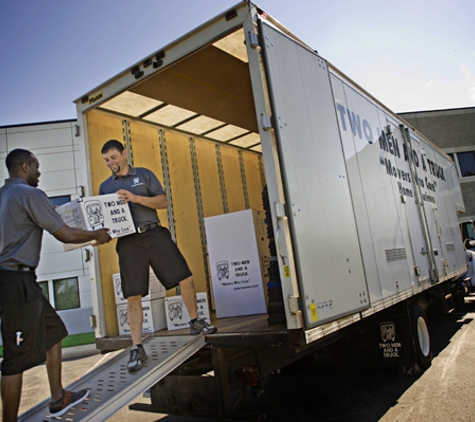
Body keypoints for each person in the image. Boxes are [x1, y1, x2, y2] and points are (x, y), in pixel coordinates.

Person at [0, 149, 112, 422]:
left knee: (55, 332)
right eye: (36, 167)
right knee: (15, 356)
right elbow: (65, 233)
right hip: (15, 281)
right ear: (24, 167)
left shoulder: (5, 196)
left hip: (21, 280)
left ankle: (57, 397)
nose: (39, 173)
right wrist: (96, 234)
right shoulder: (29, 194)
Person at [99, 140, 216, 373]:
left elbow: (163, 202)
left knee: (186, 278)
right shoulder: (105, 187)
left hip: (154, 233)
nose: (110, 163)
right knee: (133, 296)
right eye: (106, 160)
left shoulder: (144, 175)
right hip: (129, 242)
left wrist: (135, 198)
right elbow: (106, 217)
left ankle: (195, 322)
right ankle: (137, 346)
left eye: (113, 157)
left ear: (123, 154)